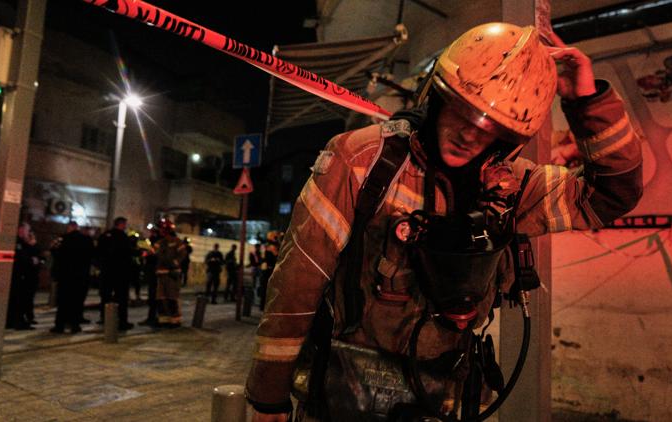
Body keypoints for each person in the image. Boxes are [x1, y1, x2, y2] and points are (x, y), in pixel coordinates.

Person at [246, 24, 643, 422]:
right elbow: (298, 282)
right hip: (344, 394)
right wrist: (268, 396)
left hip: (445, 396)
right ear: (437, 98)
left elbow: (611, 195)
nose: (469, 135)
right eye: (462, 112)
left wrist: (587, 103)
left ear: (509, 139)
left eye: (490, 128)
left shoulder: (513, 187)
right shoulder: (362, 162)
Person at [50, 221, 94, 334]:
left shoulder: (63, 239)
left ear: (69, 227)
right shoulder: (86, 240)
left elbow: (54, 252)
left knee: (63, 301)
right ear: (77, 227)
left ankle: (60, 325)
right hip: (81, 276)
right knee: (77, 302)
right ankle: (75, 325)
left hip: (65, 276)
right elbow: (92, 256)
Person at [97, 216, 135, 331]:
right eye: (124, 224)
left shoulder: (105, 236)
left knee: (105, 296)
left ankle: (104, 317)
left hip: (106, 271)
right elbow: (128, 253)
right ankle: (122, 321)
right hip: (120, 272)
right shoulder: (123, 237)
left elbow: (98, 252)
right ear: (121, 224)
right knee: (121, 297)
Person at [153, 218, 187, 327]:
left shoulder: (177, 242)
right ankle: (164, 319)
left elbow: (182, 255)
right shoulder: (159, 243)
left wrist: (174, 263)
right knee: (161, 298)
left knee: (172, 297)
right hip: (161, 274)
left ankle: (175, 320)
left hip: (172, 274)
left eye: (162, 229)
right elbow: (154, 255)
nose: (160, 231)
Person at [6, 223, 36, 330]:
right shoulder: (18, 243)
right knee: (18, 300)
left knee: (16, 300)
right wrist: (31, 259)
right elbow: (21, 258)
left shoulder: (23, 242)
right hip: (19, 276)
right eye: (27, 230)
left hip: (20, 276)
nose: (28, 233)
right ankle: (17, 322)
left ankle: (12, 321)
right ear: (21, 230)